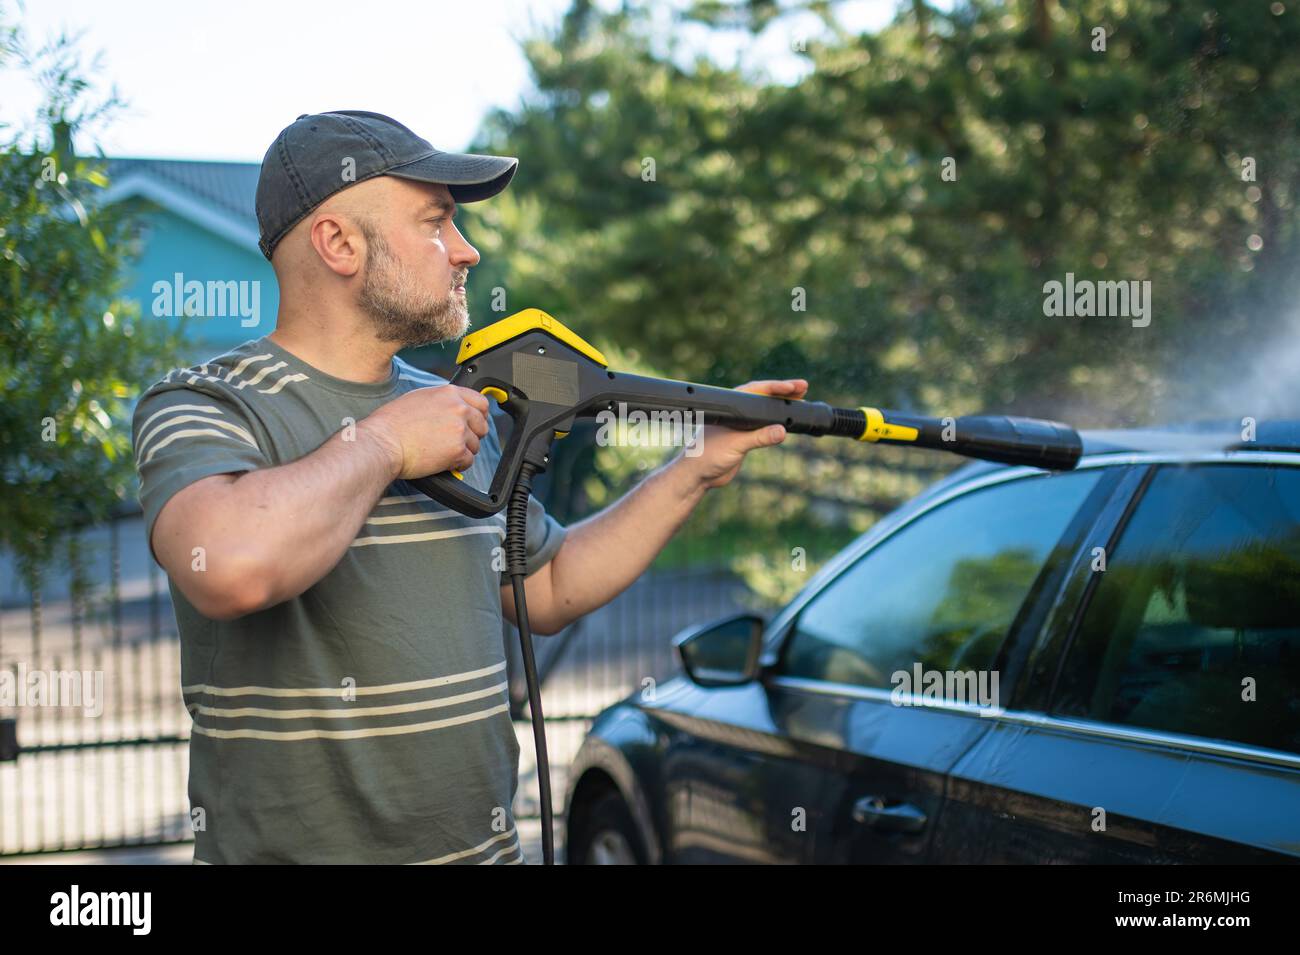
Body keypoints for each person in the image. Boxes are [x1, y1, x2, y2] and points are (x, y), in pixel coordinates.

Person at [131, 110, 806, 863]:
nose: (467, 249)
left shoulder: (453, 412)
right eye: (436, 222)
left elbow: (547, 589)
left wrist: (693, 468)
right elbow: (230, 564)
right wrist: (387, 443)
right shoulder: (207, 402)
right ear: (339, 242)